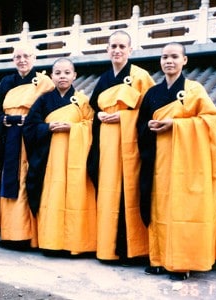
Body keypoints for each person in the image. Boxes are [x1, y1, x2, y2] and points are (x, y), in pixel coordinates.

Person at [137, 42, 216, 280]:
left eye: (174, 56)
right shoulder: (152, 93)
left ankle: (181, 263)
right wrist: (149, 126)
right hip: (158, 161)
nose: (169, 61)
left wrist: (175, 124)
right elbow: (140, 126)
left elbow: (209, 120)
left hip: (186, 164)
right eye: (165, 57)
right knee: (158, 208)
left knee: (182, 209)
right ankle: (159, 259)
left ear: (184, 60)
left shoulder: (194, 90)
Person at [87, 30, 155, 263]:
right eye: (113, 46)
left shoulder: (140, 76)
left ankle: (134, 250)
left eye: (121, 47)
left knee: (130, 192)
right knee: (108, 193)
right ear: (107, 50)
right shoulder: (104, 78)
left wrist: (123, 118)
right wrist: (100, 117)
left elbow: (150, 109)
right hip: (107, 146)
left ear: (130, 50)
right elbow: (92, 109)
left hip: (130, 145)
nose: (117, 50)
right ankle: (108, 249)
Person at [23, 58, 96, 256]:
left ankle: (76, 243)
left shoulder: (82, 101)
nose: (62, 76)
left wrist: (73, 128)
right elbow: (29, 127)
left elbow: (92, 125)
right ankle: (51, 242)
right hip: (50, 160)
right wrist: (47, 127)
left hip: (76, 160)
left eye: (66, 72)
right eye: (58, 73)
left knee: (76, 198)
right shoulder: (44, 100)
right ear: (52, 76)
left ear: (74, 76)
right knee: (52, 197)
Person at [0, 43, 54, 251]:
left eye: (26, 56)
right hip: (10, 138)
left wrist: (28, 120)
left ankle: (28, 235)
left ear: (34, 58)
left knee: (28, 180)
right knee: (10, 181)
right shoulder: (6, 82)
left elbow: (49, 109)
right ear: (13, 60)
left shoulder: (44, 82)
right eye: (18, 57)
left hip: (30, 138)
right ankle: (10, 233)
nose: (22, 60)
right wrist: (4, 119)